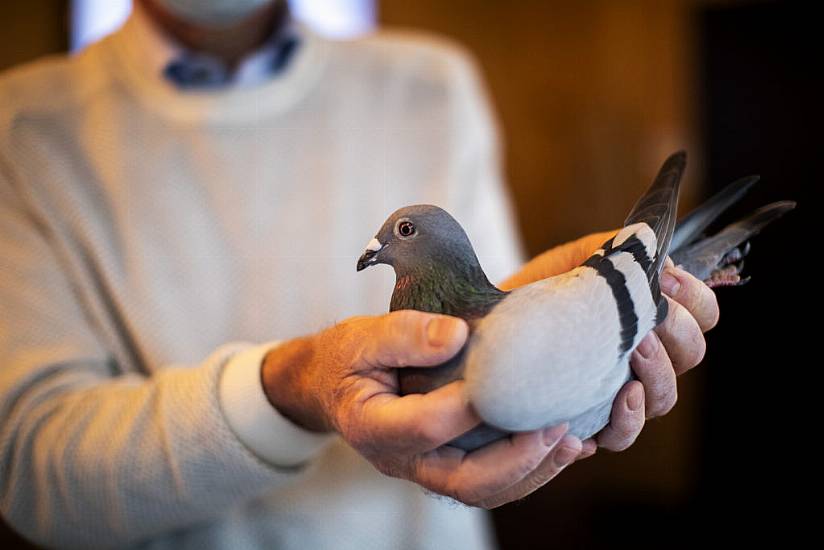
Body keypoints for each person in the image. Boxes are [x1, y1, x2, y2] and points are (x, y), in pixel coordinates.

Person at [0, 0, 719, 548]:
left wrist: (566, 335)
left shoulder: (433, 83)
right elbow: (30, 464)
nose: (379, 245)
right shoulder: (23, 125)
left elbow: (500, 303)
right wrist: (292, 390)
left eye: (398, 235)